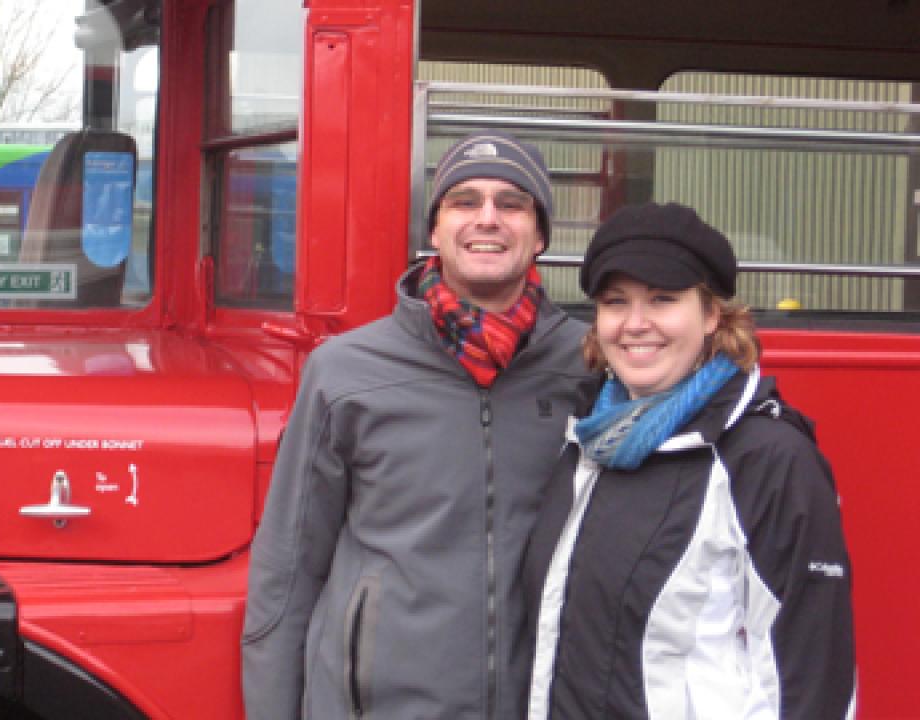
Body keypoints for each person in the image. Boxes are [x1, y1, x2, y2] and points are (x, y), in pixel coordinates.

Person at [241, 131, 595, 719]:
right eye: (464, 201)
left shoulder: (588, 366)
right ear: (435, 230)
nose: (488, 219)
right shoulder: (346, 370)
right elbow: (288, 568)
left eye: (512, 204)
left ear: (539, 235)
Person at [521, 202, 856, 719]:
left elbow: (811, 677)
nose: (635, 323)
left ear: (712, 314)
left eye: (662, 299)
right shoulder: (588, 438)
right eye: (616, 302)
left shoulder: (766, 457)